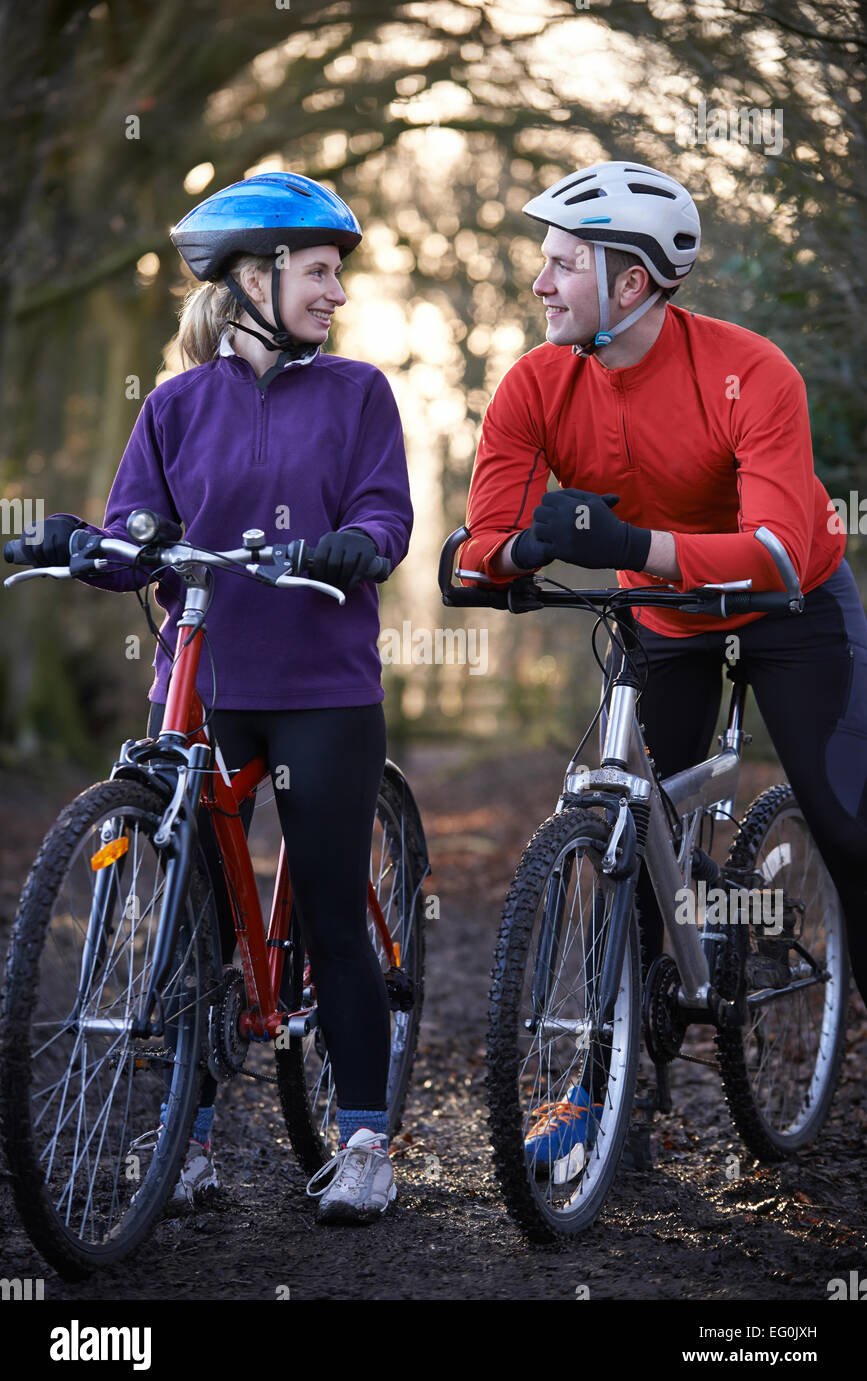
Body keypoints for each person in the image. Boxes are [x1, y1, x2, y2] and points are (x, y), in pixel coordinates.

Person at [17, 172, 413, 1224]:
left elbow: (386, 515)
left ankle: (366, 1136)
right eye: (320, 272)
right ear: (255, 276)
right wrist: (79, 543)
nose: (336, 293)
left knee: (329, 904)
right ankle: (180, 1141)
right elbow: (133, 532)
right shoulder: (173, 404)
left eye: (336, 273)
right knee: (190, 922)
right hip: (201, 681)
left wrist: (356, 544)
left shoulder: (359, 393)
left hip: (323, 688)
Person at [462, 159, 867, 1157]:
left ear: (629, 281)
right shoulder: (533, 384)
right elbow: (479, 548)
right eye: (542, 264)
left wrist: (629, 544)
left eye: (560, 264)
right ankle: (609, 1094)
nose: (540, 283)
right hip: (664, 618)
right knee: (631, 839)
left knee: (848, 818)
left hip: (791, 602)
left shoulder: (751, 370)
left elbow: (775, 547)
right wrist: (529, 547)